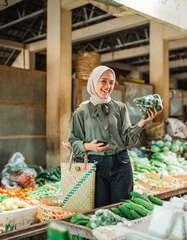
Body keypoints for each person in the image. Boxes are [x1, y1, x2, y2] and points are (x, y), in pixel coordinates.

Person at [68, 65, 162, 208]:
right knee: (99, 210)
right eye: (103, 81)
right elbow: (73, 142)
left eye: (111, 82)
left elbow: (128, 139)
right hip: (95, 166)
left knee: (123, 208)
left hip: (121, 164)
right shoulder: (81, 112)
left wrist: (142, 122)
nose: (108, 86)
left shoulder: (120, 107)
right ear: (93, 82)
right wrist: (88, 146)